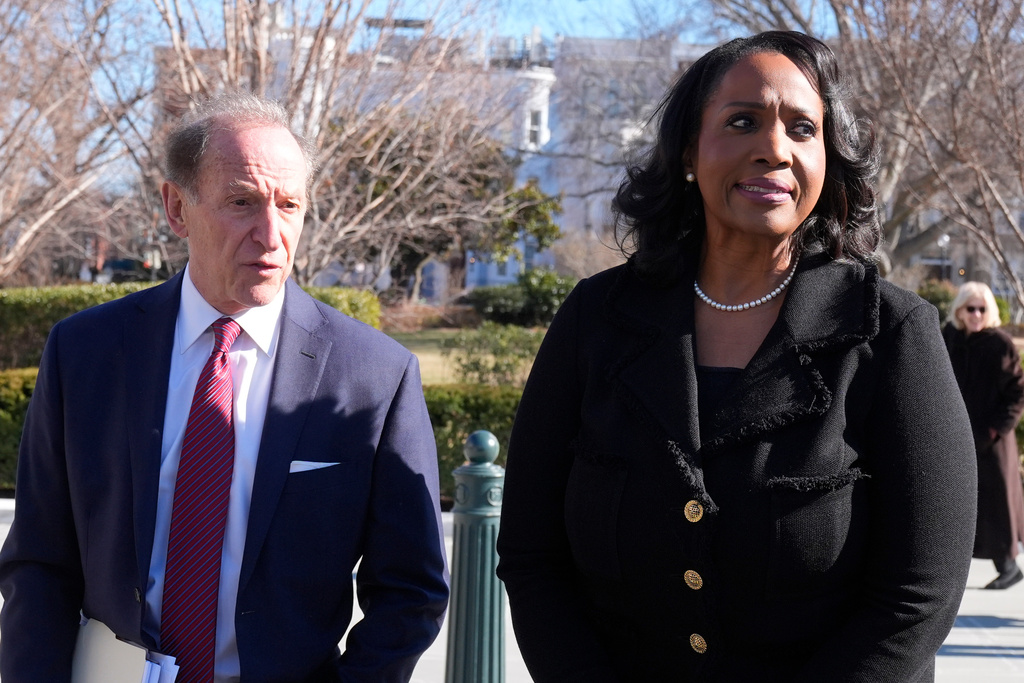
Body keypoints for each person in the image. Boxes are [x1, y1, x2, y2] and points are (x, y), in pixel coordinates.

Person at [496, 31, 977, 682]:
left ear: (828, 161)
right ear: (691, 152)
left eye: (802, 128)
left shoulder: (891, 334)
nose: (773, 148)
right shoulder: (595, 319)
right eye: (742, 121)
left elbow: (917, 597)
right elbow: (532, 554)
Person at [0, 92, 449, 682]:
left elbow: (410, 589)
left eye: (289, 205)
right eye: (242, 203)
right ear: (176, 208)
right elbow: (39, 562)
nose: (271, 234)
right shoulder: (85, 353)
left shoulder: (373, 375)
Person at [943, 281, 1024, 590]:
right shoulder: (948, 338)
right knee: (956, 505)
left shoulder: (1000, 343)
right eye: (970, 308)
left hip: (993, 442)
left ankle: (1007, 566)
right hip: (955, 436)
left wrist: (994, 430)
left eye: (982, 308)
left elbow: (1017, 394)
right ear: (960, 310)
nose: (976, 314)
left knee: (998, 506)